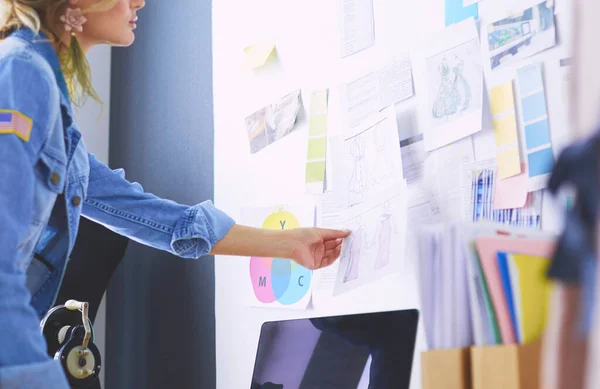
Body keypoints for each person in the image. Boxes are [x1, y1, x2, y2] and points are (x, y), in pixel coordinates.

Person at [0, 1, 349, 388]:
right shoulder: (23, 73)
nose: (139, 2)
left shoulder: (51, 104)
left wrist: (287, 244)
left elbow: (161, 221)